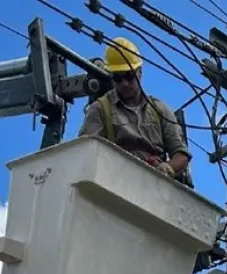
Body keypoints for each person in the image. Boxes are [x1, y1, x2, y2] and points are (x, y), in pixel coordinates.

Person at [79, 37, 192, 185]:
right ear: (111, 77)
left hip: (155, 185)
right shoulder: (100, 109)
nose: (125, 84)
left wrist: (168, 167)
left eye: (129, 76)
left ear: (140, 72)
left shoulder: (160, 110)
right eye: (118, 79)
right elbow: (86, 151)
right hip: (116, 183)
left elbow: (181, 154)